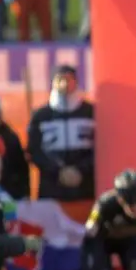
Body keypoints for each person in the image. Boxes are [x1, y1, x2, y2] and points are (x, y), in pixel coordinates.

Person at [26, 65, 95, 201]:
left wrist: (81, 170)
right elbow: (34, 151)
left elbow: (100, 148)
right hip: (51, 189)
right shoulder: (40, 116)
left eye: (68, 79)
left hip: (85, 188)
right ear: (52, 83)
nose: (64, 84)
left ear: (76, 82)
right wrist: (58, 172)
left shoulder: (90, 113)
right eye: (60, 80)